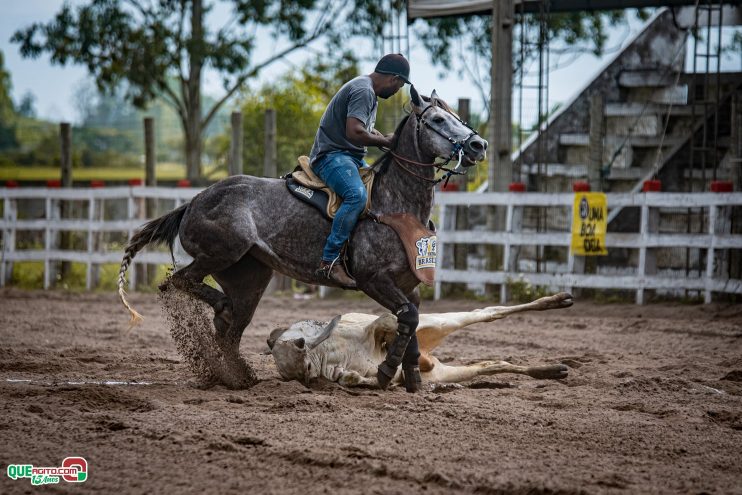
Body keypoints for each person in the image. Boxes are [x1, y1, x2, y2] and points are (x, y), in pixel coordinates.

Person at [310, 53, 411, 288]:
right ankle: (330, 261)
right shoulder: (364, 91)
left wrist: (380, 136)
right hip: (332, 157)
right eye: (400, 85)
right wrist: (386, 143)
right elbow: (354, 132)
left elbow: (364, 130)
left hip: (350, 158)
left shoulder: (367, 91)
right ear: (394, 79)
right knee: (356, 196)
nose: (397, 91)